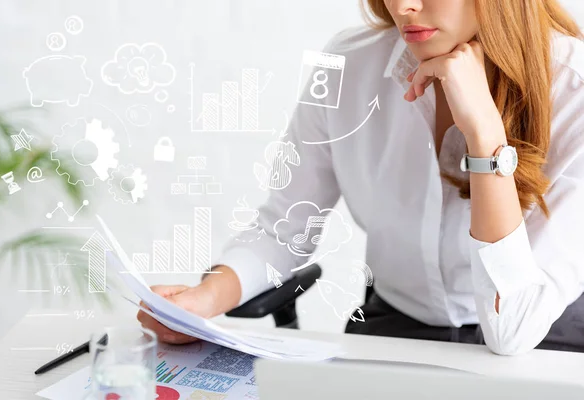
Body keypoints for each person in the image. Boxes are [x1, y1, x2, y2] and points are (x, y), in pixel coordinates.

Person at [138, 0, 584, 355]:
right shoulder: (348, 67)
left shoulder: (574, 89)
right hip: (397, 328)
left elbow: (512, 331)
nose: (403, 6)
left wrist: (486, 136)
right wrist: (205, 299)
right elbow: (283, 227)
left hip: (542, 330)